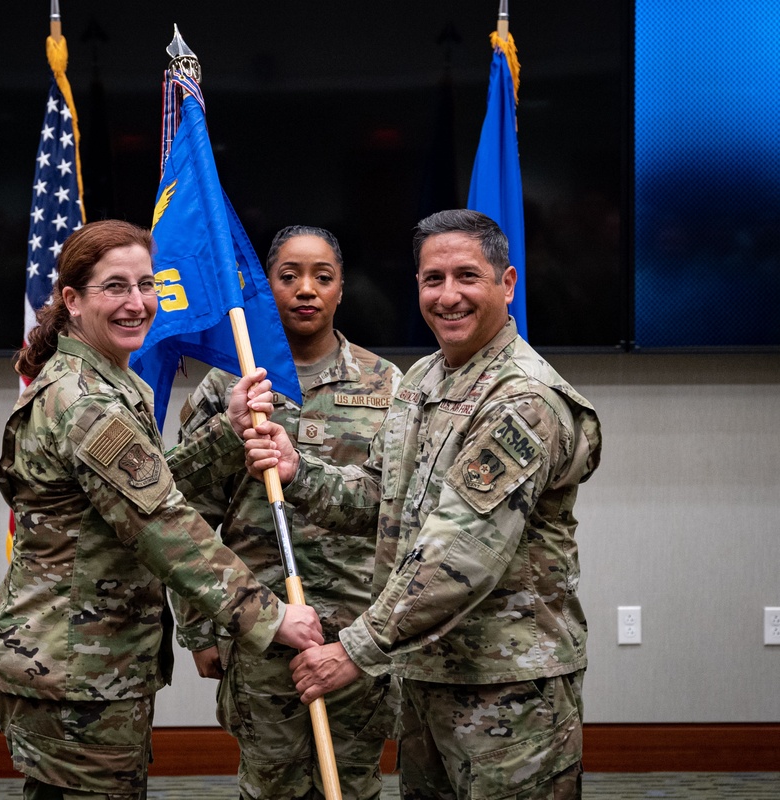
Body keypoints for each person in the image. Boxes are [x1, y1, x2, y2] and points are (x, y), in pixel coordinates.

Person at [244, 210, 602, 800]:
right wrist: (296, 470)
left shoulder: (523, 400)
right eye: (433, 279)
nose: (448, 295)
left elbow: (461, 554)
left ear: (507, 284)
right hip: (423, 675)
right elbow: (379, 500)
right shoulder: (423, 381)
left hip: (505, 688)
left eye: (468, 276)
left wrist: (356, 649)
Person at [0, 219, 323, 800]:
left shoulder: (103, 380)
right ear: (72, 299)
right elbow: (165, 526)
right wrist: (269, 616)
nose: (137, 303)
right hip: (76, 668)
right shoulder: (88, 403)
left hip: (85, 663)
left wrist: (228, 432)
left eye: (147, 285)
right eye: (115, 287)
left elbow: (140, 488)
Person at [167, 226, 402, 799]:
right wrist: (199, 631)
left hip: (354, 636)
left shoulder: (387, 384)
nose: (306, 289)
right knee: (270, 785)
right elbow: (185, 514)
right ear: (265, 286)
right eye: (289, 275)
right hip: (261, 630)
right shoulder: (233, 387)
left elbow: (398, 511)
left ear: (341, 289)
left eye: (323, 277)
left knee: (352, 784)